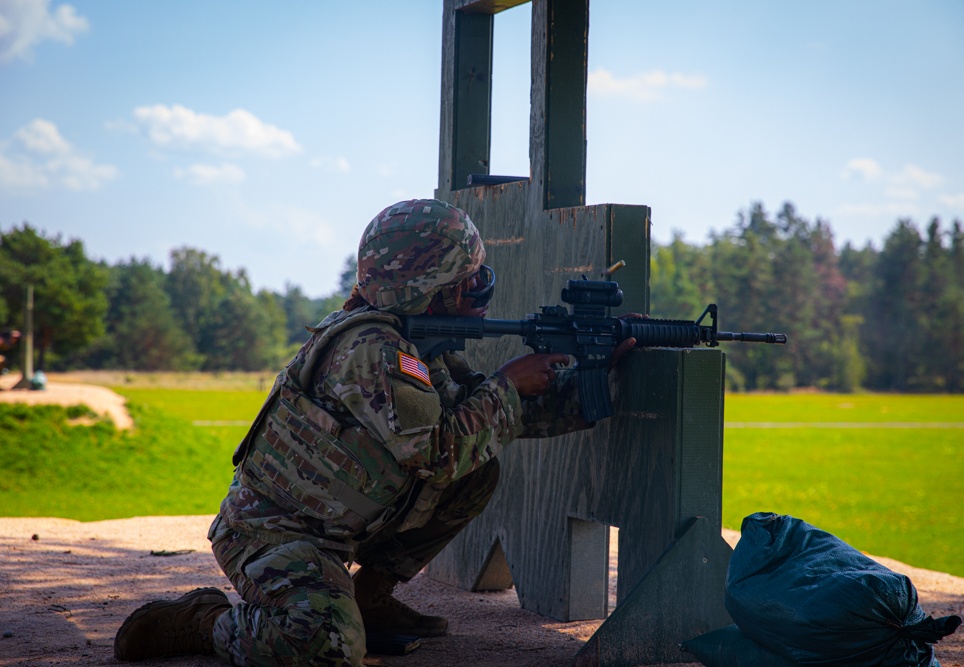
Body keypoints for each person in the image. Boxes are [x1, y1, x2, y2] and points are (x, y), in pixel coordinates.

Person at [114, 199, 635, 666]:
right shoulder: (373, 352)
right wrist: (507, 383)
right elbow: (440, 451)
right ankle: (204, 623)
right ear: (434, 291)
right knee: (327, 648)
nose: (481, 288)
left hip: (332, 529)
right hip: (274, 536)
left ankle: (370, 598)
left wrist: (595, 374)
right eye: (469, 279)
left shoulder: (410, 342)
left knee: (479, 471)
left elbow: (495, 419)